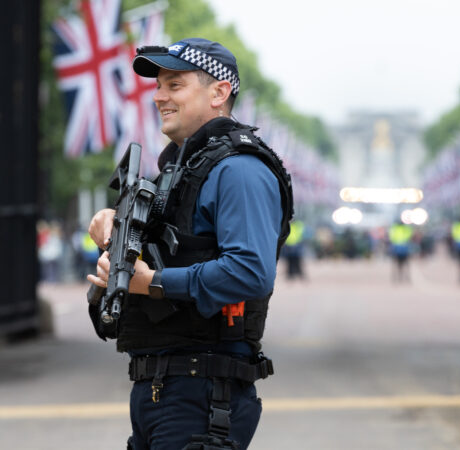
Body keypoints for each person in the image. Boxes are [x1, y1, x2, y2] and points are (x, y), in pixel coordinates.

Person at [86, 38, 293, 450]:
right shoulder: (183, 168)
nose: (158, 96)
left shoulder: (240, 169)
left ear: (219, 92)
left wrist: (153, 282)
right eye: (158, 85)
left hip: (201, 392)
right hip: (164, 390)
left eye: (174, 85)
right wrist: (115, 229)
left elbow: (251, 272)